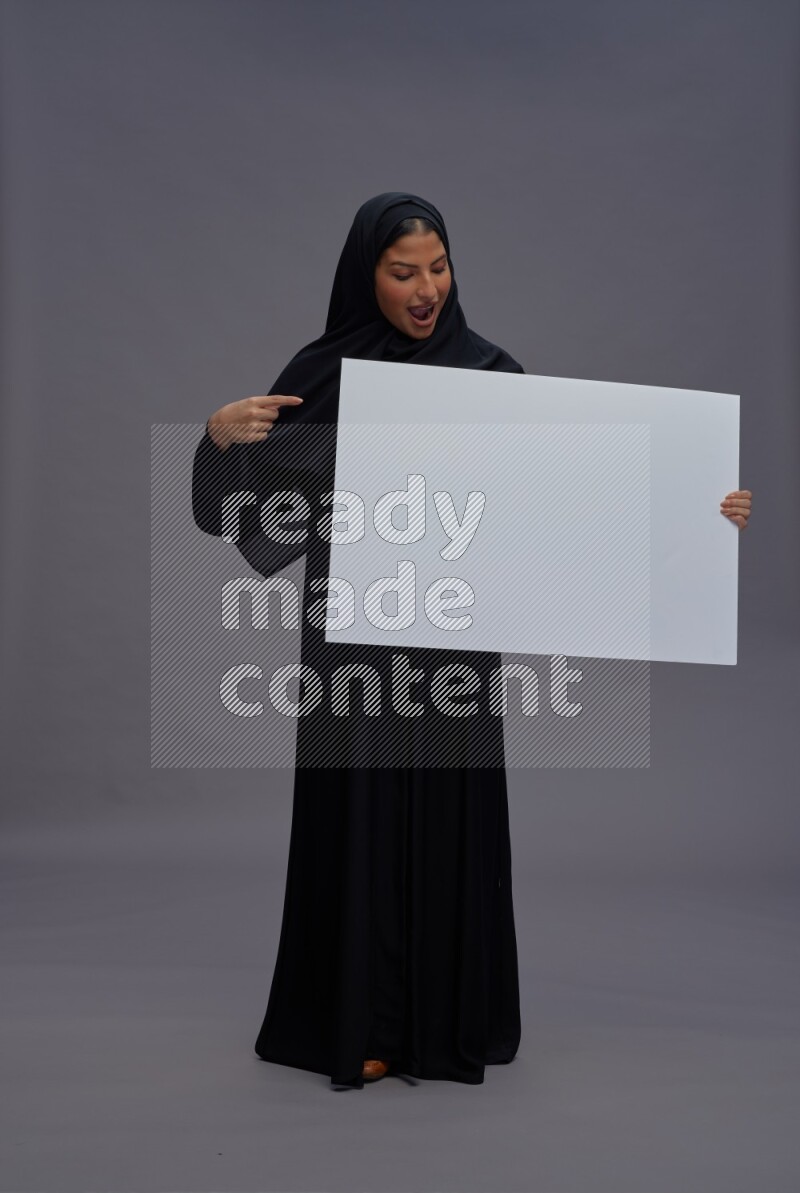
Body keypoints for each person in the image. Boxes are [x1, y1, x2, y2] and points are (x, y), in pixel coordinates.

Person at [191, 192, 753, 1091]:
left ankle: (442, 1024)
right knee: (361, 820)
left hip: (454, 651)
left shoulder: (491, 374)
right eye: (402, 271)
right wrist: (219, 441)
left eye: (439, 267)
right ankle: (362, 1022)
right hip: (354, 654)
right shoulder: (325, 374)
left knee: (449, 816)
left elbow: (574, 505)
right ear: (364, 273)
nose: (426, 289)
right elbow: (238, 517)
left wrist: (700, 511)